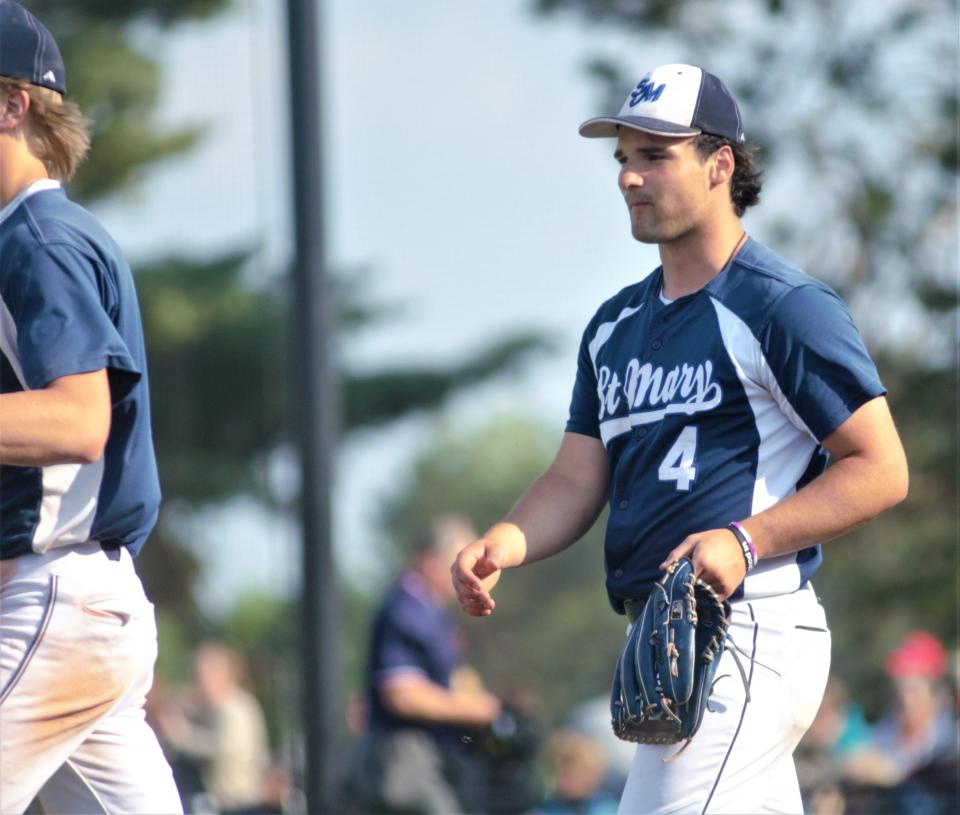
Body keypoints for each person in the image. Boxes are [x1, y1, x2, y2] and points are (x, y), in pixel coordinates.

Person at [451, 63, 909, 814]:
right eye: (624, 158)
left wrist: (747, 538)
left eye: (655, 156)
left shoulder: (780, 307)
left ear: (720, 163)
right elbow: (574, 478)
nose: (630, 177)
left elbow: (882, 468)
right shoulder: (614, 328)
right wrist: (505, 539)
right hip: (671, 643)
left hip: (748, 628)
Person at [0, 2, 181, 812]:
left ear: (14, 106)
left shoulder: (37, 241)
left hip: (57, 600)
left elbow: (79, 420)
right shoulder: (31, 236)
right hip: (81, 608)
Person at [349, 516, 502, 814]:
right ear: (433, 562)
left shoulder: (426, 608)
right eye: (462, 563)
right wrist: (476, 709)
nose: (471, 574)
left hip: (420, 756)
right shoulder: (407, 608)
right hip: (402, 758)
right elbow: (402, 694)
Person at [152, 643, 272, 814]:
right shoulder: (218, 709)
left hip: (239, 805)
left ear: (220, 675)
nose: (197, 684)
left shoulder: (235, 709)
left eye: (200, 677)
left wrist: (180, 734)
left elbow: (221, 748)